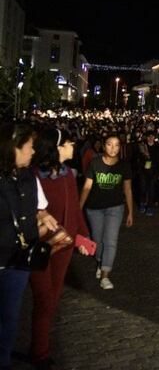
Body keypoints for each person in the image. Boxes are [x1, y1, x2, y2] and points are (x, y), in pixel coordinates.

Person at [29, 128, 90, 369]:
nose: (73, 146)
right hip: (40, 246)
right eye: (69, 143)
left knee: (53, 298)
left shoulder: (68, 175)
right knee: (44, 298)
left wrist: (83, 238)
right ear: (57, 147)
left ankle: (40, 346)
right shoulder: (34, 176)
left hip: (64, 245)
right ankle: (40, 352)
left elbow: (74, 209)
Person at [0, 123, 58, 369]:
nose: (33, 151)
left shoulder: (29, 177)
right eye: (29, 147)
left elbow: (34, 208)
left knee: (9, 318)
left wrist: (41, 216)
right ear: (12, 148)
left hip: (19, 262)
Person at [79, 134, 134, 290]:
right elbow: (87, 187)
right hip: (94, 208)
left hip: (115, 207)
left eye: (116, 145)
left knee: (110, 240)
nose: (113, 148)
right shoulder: (95, 163)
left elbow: (128, 189)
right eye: (109, 144)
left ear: (120, 147)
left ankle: (105, 275)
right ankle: (100, 261)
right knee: (97, 240)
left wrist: (130, 212)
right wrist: (78, 207)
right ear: (104, 146)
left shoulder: (124, 166)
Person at [137, 131, 159, 216]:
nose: (151, 138)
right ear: (146, 137)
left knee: (152, 189)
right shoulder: (142, 146)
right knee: (143, 187)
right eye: (149, 136)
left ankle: (150, 206)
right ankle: (142, 203)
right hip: (143, 170)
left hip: (154, 171)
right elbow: (138, 158)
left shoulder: (158, 147)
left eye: (152, 136)